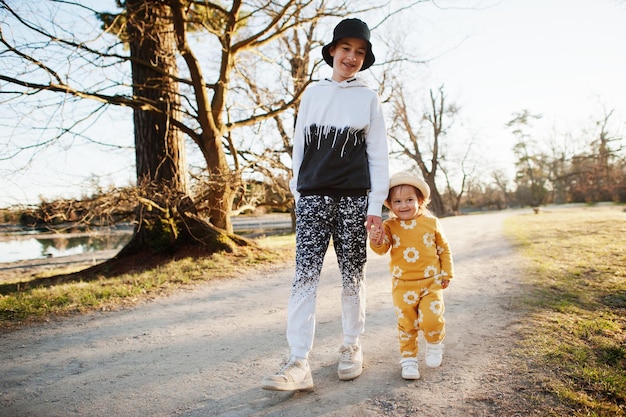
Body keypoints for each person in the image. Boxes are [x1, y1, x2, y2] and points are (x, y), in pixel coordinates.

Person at [261, 17, 389, 391]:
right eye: (346, 48)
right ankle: (299, 361)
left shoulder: (368, 98)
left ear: (364, 59)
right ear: (332, 51)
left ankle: (352, 344)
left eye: (360, 52)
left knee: (353, 275)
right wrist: (298, 195)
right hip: (313, 197)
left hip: (354, 199)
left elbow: (378, 156)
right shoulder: (312, 94)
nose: (352, 56)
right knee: (304, 277)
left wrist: (374, 207)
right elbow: (300, 147)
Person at [369, 171, 454, 380]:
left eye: (409, 200)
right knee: (407, 324)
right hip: (402, 285)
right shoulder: (390, 226)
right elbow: (381, 249)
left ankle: (434, 344)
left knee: (432, 319)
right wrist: (377, 239)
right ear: (389, 204)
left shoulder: (431, 223)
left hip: (431, 282)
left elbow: (444, 248)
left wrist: (447, 272)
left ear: (420, 201)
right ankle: (409, 361)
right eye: (397, 201)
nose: (403, 205)